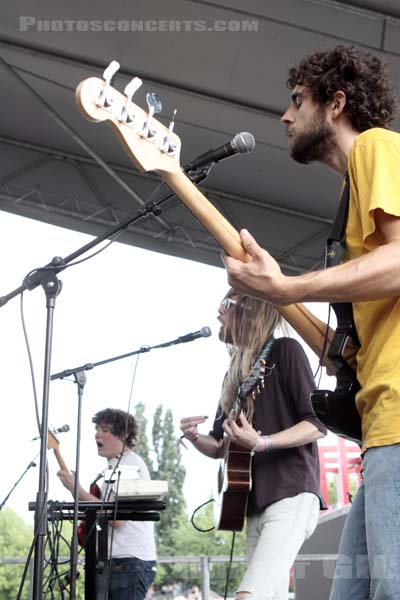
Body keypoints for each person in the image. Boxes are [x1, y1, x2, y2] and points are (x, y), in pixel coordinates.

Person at [222, 44, 400, 600]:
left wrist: (290, 286)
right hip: (379, 429)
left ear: (337, 103)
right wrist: (278, 296)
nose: (285, 115)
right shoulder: (351, 203)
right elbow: (343, 354)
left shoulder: (375, 147)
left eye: (298, 101)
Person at [180, 290, 326, 600]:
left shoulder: (285, 351)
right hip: (253, 503)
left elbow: (316, 425)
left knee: (249, 595)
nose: (218, 312)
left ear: (249, 310)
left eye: (226, 305)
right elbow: (220, 445)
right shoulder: (233, 375)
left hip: (291, 491)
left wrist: (262, 442)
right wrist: (195, 438)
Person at [58, 408, 157, 600]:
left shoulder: (130, 466)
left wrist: (76, 491)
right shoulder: (114, 468)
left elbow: (117, 517)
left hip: (128, 562)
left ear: (124, 435)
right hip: (117, 561)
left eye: (105, 429)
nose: (97, 433)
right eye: (97, 428)